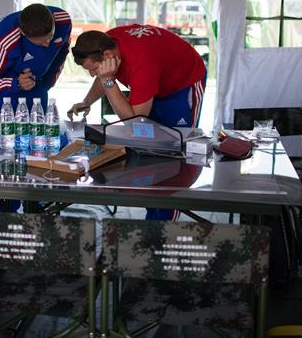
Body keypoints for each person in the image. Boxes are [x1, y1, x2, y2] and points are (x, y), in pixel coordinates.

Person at [69, 24, 207, 220]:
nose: (93, 75)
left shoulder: (142, 64)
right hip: (154, 78)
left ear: (108, 55)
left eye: (93, 69)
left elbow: (134, 123)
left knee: (177, 155)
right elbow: (102, 75)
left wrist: (108, 80)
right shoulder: (106, 42)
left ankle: (165, 226)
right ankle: (152, 213)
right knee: (150, 152)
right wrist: (87, 101)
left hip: (182, 84)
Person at [0, 3, 71, 110]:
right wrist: (15, 83)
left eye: (50, 38)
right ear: (22, 33)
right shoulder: (4, 39)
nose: (47, 44)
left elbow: (62, 52)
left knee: (39, 120)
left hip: (37, 88)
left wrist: (48, 82)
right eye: (39, 43)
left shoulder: (63, 21)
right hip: (4, 95)